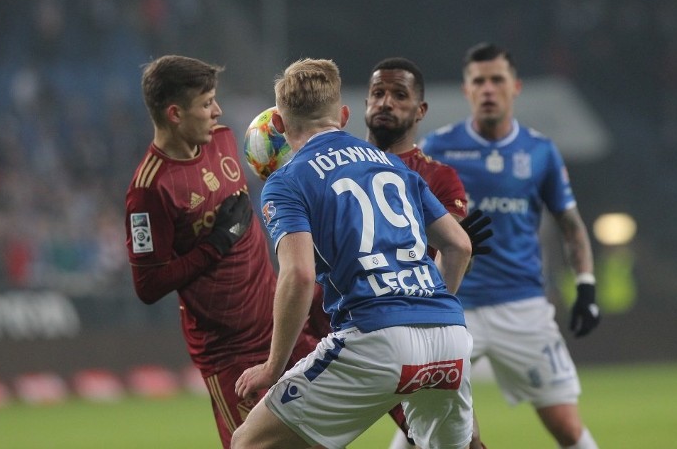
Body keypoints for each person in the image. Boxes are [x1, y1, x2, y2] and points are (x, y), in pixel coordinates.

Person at [232, 58, 475, 449]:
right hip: (450, 336)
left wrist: (272, 367)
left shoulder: (286, 181)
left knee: (250, 443)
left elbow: (298, 276)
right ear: (343, 116)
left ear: (277, 125)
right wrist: (427, 308)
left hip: (375, 338)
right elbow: (459, 245)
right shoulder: (397, 167)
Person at [124, 55, 317, 449]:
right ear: (175, 113)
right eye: (207, 102)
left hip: (281, 326)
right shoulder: (148, 191)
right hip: (230, 354)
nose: (217, 110)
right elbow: (148, 284)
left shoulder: (228, 139)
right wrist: (214, 246)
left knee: (322, 439)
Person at [420, 43, 601, 449]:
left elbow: (570, 225)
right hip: (453, 306)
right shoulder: (438, 149)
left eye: (496, 80)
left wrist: (586, 285)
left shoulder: (540, 152)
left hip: (522, 306)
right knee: (421, 428)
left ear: (514, 86)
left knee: (567, 426)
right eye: (478, 81)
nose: (488, 89)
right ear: (467, 90)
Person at [365, 57, 492, 449]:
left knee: (460, 443)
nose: (385, 102)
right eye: (378, 93)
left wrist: (456, 249)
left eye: (399, 95)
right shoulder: (342, 166)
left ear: (420, 111)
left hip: (410, 330)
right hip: (335, 328)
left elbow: (443, 275)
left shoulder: (438, 178)